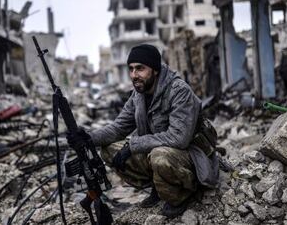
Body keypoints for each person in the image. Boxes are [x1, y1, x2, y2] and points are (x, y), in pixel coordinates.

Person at [67, 44, 219, 218]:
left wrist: (133, 145)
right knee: (109, 150)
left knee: (159, 156)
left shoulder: (179, 91)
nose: (134, 75)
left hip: (192, 155)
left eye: (140, 69)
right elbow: (119, 127)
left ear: (154, 69)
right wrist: (88, 137)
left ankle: (182, 195)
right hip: (163, 152)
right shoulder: (139, 94)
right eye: (131, 69)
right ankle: (160, 186)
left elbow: (179, 138)